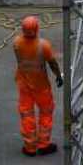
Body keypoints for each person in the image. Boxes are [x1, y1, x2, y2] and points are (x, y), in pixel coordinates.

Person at [14, 15, 63, 157]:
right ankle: (43, 145)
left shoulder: (16, 42)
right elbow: (52, 63)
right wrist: (58, 76)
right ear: (37, 28)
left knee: (27, 114)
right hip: (41, 85)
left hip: (23, 83)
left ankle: (29, 147)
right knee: (46, 112)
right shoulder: (44, 45)